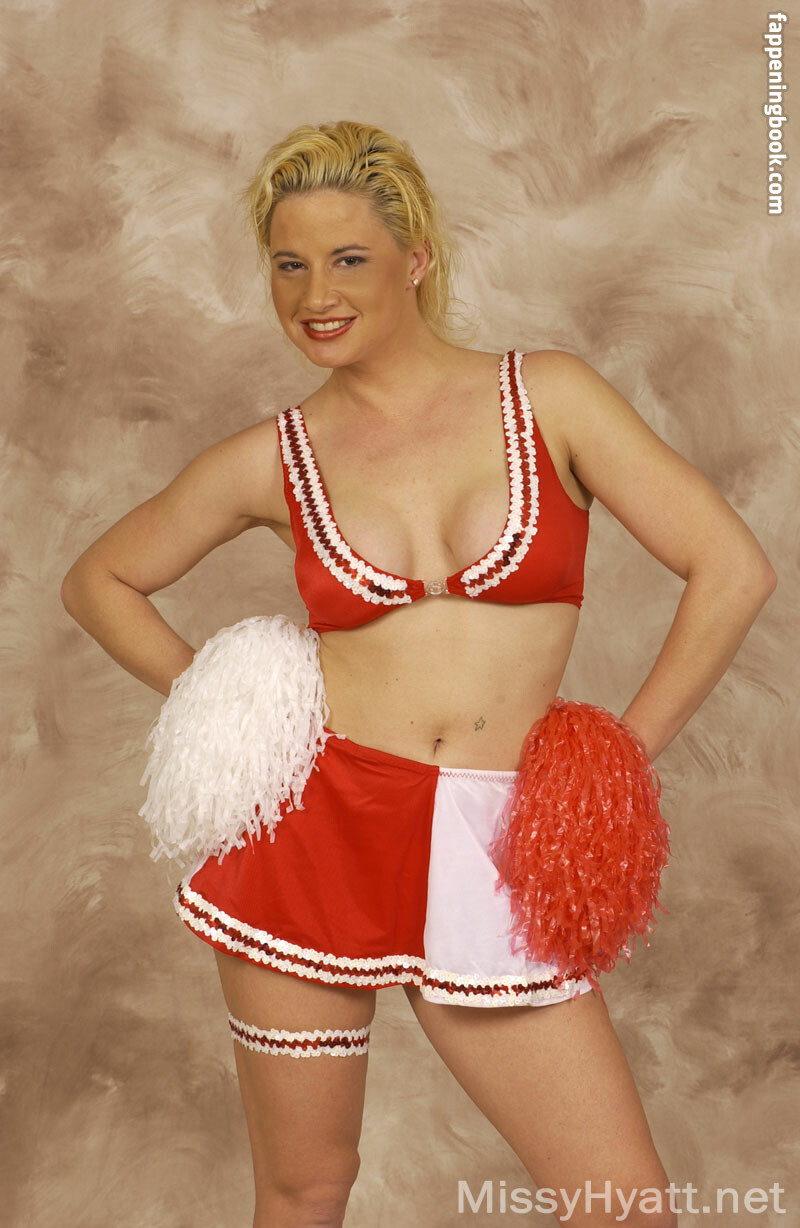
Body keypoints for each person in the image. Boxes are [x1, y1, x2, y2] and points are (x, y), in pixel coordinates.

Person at [60, 119, 777, 1228]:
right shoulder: (273, 456)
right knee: (305, 1189)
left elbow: (730, 567)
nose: (315, 295)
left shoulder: (548, 395)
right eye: (288, 265)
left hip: (498, 836)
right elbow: (99, 578)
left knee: (621, 1204)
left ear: (415, 258)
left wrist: (616, 757)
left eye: (347, 258)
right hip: (313, 832)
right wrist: (238, 708)